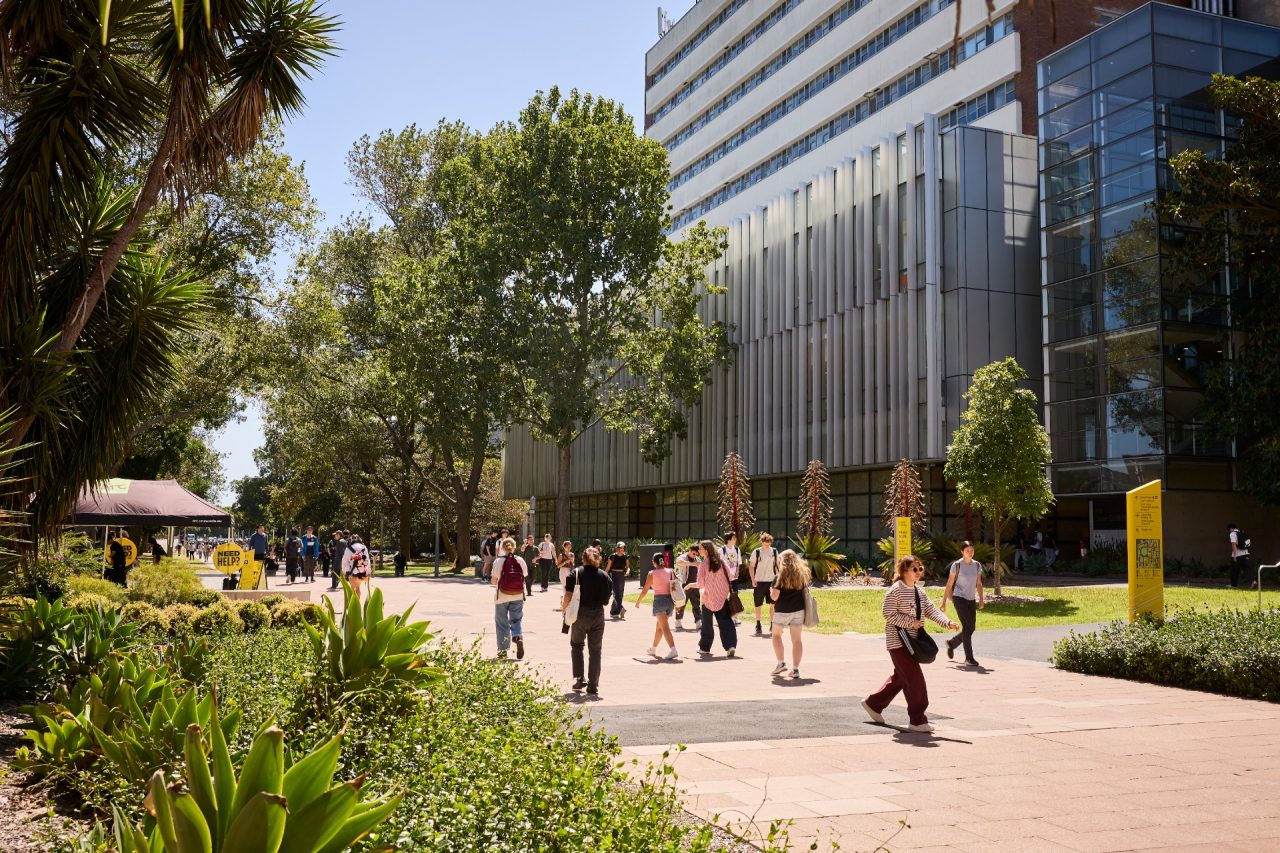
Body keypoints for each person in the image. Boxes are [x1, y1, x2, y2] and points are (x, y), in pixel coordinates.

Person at [861, 554, 959, 733]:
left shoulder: (919, 591)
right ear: (904, 571)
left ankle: (873, 704)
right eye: (914, 569)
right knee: (914, 679)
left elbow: (931, 610)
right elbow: (888, 614)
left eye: (920, 569)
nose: (918, 572)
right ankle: (917, 720)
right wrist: (910, 623)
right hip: (897, 641)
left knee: (902, 677)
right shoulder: (895, 590)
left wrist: (947, 622)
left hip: (913, 642)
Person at [563, 547, 612, 695]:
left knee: (577, 646)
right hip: (597, 614)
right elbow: (605, 601)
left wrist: (564, 609)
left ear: (583, 558)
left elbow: (568, 595)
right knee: (595, 650)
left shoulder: (575, 573)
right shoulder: (604, 576)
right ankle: (593, 684)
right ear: (598, 559)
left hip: (580, 614)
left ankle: (579, 678)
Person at [680, 540, 738, 657]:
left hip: (708, 599)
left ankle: (705, 648)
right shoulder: (721, 562)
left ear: (706, 550)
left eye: (701, 548)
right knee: (726, 623)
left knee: (707, 625)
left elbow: (700, 584)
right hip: (722, 597)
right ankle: (730, 646)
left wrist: (691, 585)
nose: (699, 550)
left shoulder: (703, 564)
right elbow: (732, 576)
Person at [940, 541, 985, 667]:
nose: (970, 553)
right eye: (967, 551)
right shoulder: (957, 565)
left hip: (971, 599)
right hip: (959, 598)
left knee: (971, 628)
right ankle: (969, 658)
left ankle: (952, 643)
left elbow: (979, 583)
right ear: (962, 552)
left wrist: (981, 598)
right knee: (968, 627)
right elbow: (949, 584)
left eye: (972, 550)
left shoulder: (977, 565)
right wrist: (944, 602)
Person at [769, 549, 811, 679]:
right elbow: (806, 592)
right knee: (797, 640)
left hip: (782, 610)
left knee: (776, 635)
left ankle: (781, 663)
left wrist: (771, 590)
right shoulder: (801, 575)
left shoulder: (779, 577)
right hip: (798, 610)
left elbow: (774, 597)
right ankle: (796, 669)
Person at [635, 552, 679, 659]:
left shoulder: (651, 573)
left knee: (665, 628)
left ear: (654, 562)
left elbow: (645, 590)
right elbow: (675, 588)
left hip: (659, 601)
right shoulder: (671, 571)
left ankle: (673, 649)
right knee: (659, 627)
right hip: (670, 601)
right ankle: (653, 649)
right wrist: (678, 605)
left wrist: (638, 602)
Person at [491, 536, 528, 660]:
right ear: (514, 547)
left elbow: (493, 580)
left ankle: (503, 650)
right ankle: (517, 636)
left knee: (501, 622)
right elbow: (525, 575)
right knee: (516, 619)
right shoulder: (520, 560)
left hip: (502, 595)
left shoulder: (498, 561)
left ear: (502, 548)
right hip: (518, 594)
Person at [748, 533, 778, 636]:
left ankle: (772, 624)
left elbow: (778, 566)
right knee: (758, 604)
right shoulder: (756, 552)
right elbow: (751, 567)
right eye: (765, 541)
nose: (767, 543)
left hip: (771, 581)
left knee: (773, 604)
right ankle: (758, 624)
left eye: (769, 541)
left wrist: (779, 579)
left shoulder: (774, 551)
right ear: (762, 541)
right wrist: (753, 579)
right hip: (759, 581)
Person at [674, 542, 702, 630]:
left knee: (696, 604)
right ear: (689, 551)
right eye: (693, 553)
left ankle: (698, 622)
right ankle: (678, 621)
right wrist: (692, 564)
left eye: (696, 554)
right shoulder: (683, 557)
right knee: (681, 603)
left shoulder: (697, 559)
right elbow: (678, 562)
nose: (694, 556)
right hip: (684, 584)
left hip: (694, 585)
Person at [720, 532, 744, 625]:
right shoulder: (721, 550)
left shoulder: (737, 549)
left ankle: (734, 616)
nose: (735, 540)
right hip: (724, 578)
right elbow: (718, 564)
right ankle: (724, 616)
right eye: (733, 538)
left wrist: (737, 572)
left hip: (734, 577)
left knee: (734, 596)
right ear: (728, 539)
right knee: (724, 596)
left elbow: (738, 563)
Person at [343, 534, 371, 599]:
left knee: (353, 589)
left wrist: (345, 572)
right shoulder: (364, 547)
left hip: (352, 572)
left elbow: (344, 561)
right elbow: (367, 560)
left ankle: (354, 606)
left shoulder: (348, 549)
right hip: (362, 572)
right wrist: (368, 572)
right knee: (357, 588)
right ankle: (358, 604)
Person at [606, 542, 630, 620]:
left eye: (623, 548)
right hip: (613, 575)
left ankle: (614, 612)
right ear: (617, 548)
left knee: (620, 594)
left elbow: (628, 567)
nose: (622, 550)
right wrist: (604, 575)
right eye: (620, 548)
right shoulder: (612, 556)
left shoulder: (625, 557)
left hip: (621, 576)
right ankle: (621, 608)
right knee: (616, 593)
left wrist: (627, 571)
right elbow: (608, 567)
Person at [1229, 523, 1250, 589]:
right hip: (1245, 553)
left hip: (1237, 555)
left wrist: (1234, 556)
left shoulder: (1232, 534)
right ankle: (1253, 581)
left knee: (1234, 571)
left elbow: (1234, 545)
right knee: (1247, 570)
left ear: (1230, 528)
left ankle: (1233, 585)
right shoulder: (1242, 532)